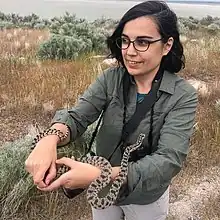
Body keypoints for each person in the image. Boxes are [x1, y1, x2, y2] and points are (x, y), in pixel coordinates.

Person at [25, 1, 198, 220]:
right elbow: (77, 118)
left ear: (167, 45)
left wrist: (100, 175)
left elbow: (168, 161)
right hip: (103, 192)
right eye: (125, 41)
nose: (130, 52)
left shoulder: (183, 95)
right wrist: (48, 140)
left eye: (142, 42)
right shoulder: (111, 79)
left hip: (145, 198)